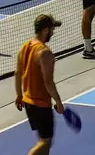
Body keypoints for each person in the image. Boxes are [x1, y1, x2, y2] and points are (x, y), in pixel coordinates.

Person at [15, 14, 64, 155]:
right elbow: (48, 82)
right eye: (52, 29)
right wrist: (58, 101)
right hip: (41, 104)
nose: (53, 33)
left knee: (45, 143)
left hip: (28, 102)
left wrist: (19, 95)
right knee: (45, 142)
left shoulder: (25, 47)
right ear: (45, 30)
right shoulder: (45, 53)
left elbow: (17, 73)